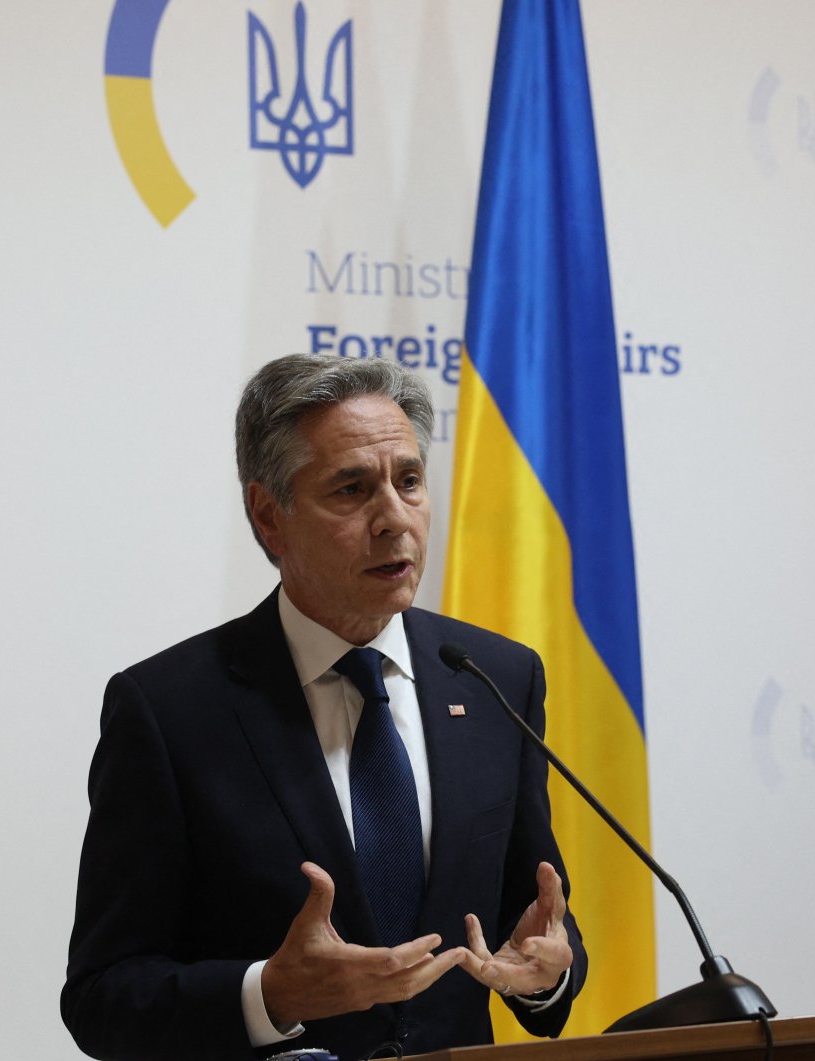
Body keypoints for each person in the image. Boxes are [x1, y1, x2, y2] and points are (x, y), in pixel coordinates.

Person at [61, 354, 587, 1061]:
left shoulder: (495, 678)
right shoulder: (169, 710)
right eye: (352, 489)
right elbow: (102, 996)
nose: (394, 519)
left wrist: (546, 974)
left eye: (409, 481)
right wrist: (269, 994)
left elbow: (536, 920)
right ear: (269, 516)